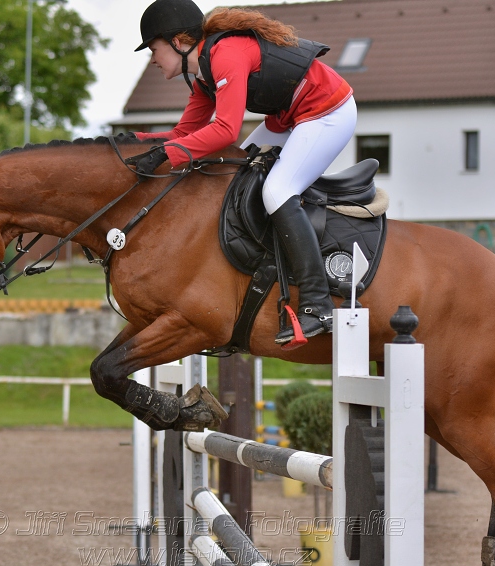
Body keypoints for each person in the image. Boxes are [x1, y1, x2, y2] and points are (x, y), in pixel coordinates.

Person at [131, 0, 358, 346]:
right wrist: (133, 143)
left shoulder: (225, 55)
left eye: (153, 48)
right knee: (232, 173)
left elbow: (225, 131)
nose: (152, 58)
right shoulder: (203, 74)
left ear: (177, 42)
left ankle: (317, 303)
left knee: (276, 191)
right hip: (290, 118)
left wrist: (167, 154)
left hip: (328, 111)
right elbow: (182, 135)